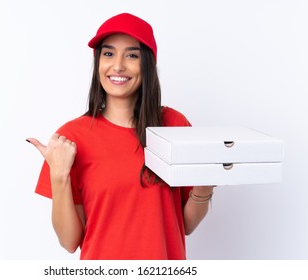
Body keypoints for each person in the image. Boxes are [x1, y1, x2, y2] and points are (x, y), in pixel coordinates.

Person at [27, 13, 214, 260]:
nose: (118, 66)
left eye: (132, 55)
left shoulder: (174, 126)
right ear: (98, 63)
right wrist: (59, 175)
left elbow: (186, 225)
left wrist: (206, 181)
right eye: (108, 53)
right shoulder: (71, 138)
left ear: (147, 64)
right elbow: (69, 242)